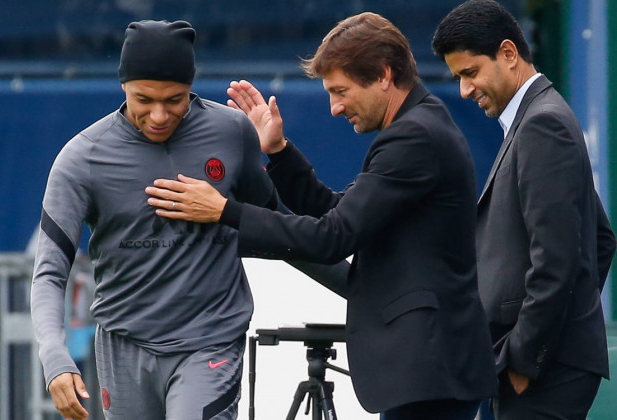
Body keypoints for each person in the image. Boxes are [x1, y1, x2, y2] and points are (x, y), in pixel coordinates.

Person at [146, 12, 497, 420]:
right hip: (429, 371)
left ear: (383, 75)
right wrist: (278, 151)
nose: (334, 108)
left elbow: (332, 238)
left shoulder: (414, 136)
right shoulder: (416, 126)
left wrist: (225, 211)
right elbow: (337, 212)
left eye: (341, 90)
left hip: (429, 372)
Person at [30, 19, 281, 420]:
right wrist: (54, 356)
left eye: (175, 99)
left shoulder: (232, 132)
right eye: (143, 99)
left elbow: (281, 229)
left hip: (210, 342)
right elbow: (49, 272)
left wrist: (358, 288)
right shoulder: (81, 158)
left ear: (191, 88)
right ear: (123, 87)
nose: (160, 115)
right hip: (124, 347)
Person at [432, 1, 616, 419]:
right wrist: (570, 324)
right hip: (538, 364)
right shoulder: (538, 117)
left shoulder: (542, 124)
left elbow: (558, 259)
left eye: (470, 73)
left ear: (509, 54)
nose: (464, 90)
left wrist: (527, 355)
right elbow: (600, 241)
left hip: (538, 370)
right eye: (458, 77)